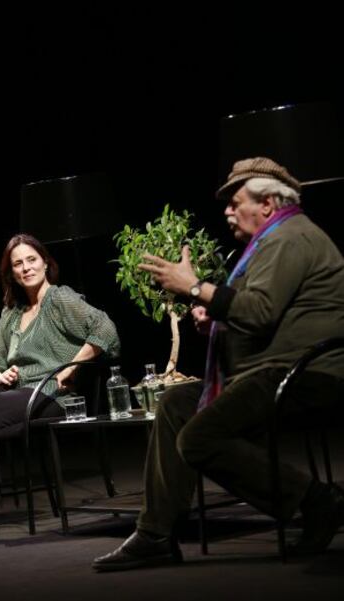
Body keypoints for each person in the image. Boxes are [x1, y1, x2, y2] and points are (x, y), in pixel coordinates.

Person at [93, 156, 344, 571]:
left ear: (267, 204)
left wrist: (196, 287)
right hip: (267, 370)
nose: (228, 211)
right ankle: (156, 533)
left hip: (304, 374)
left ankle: (317, 501)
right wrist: (213, 316)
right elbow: (250, 313)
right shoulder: (268, 243)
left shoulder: (291, 238)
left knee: (198, 438)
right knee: (175, 405)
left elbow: (260, 312)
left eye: (235, 201)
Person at [0, 233, 120, 548]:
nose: (26, 268)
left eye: (31, 260)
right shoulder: (12, 314)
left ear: (46, 262)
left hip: (49, 394)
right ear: (11, 272)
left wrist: (72, 366)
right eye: (18, 264)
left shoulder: (59, 299)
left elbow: (106, 330)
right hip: (15, 394)